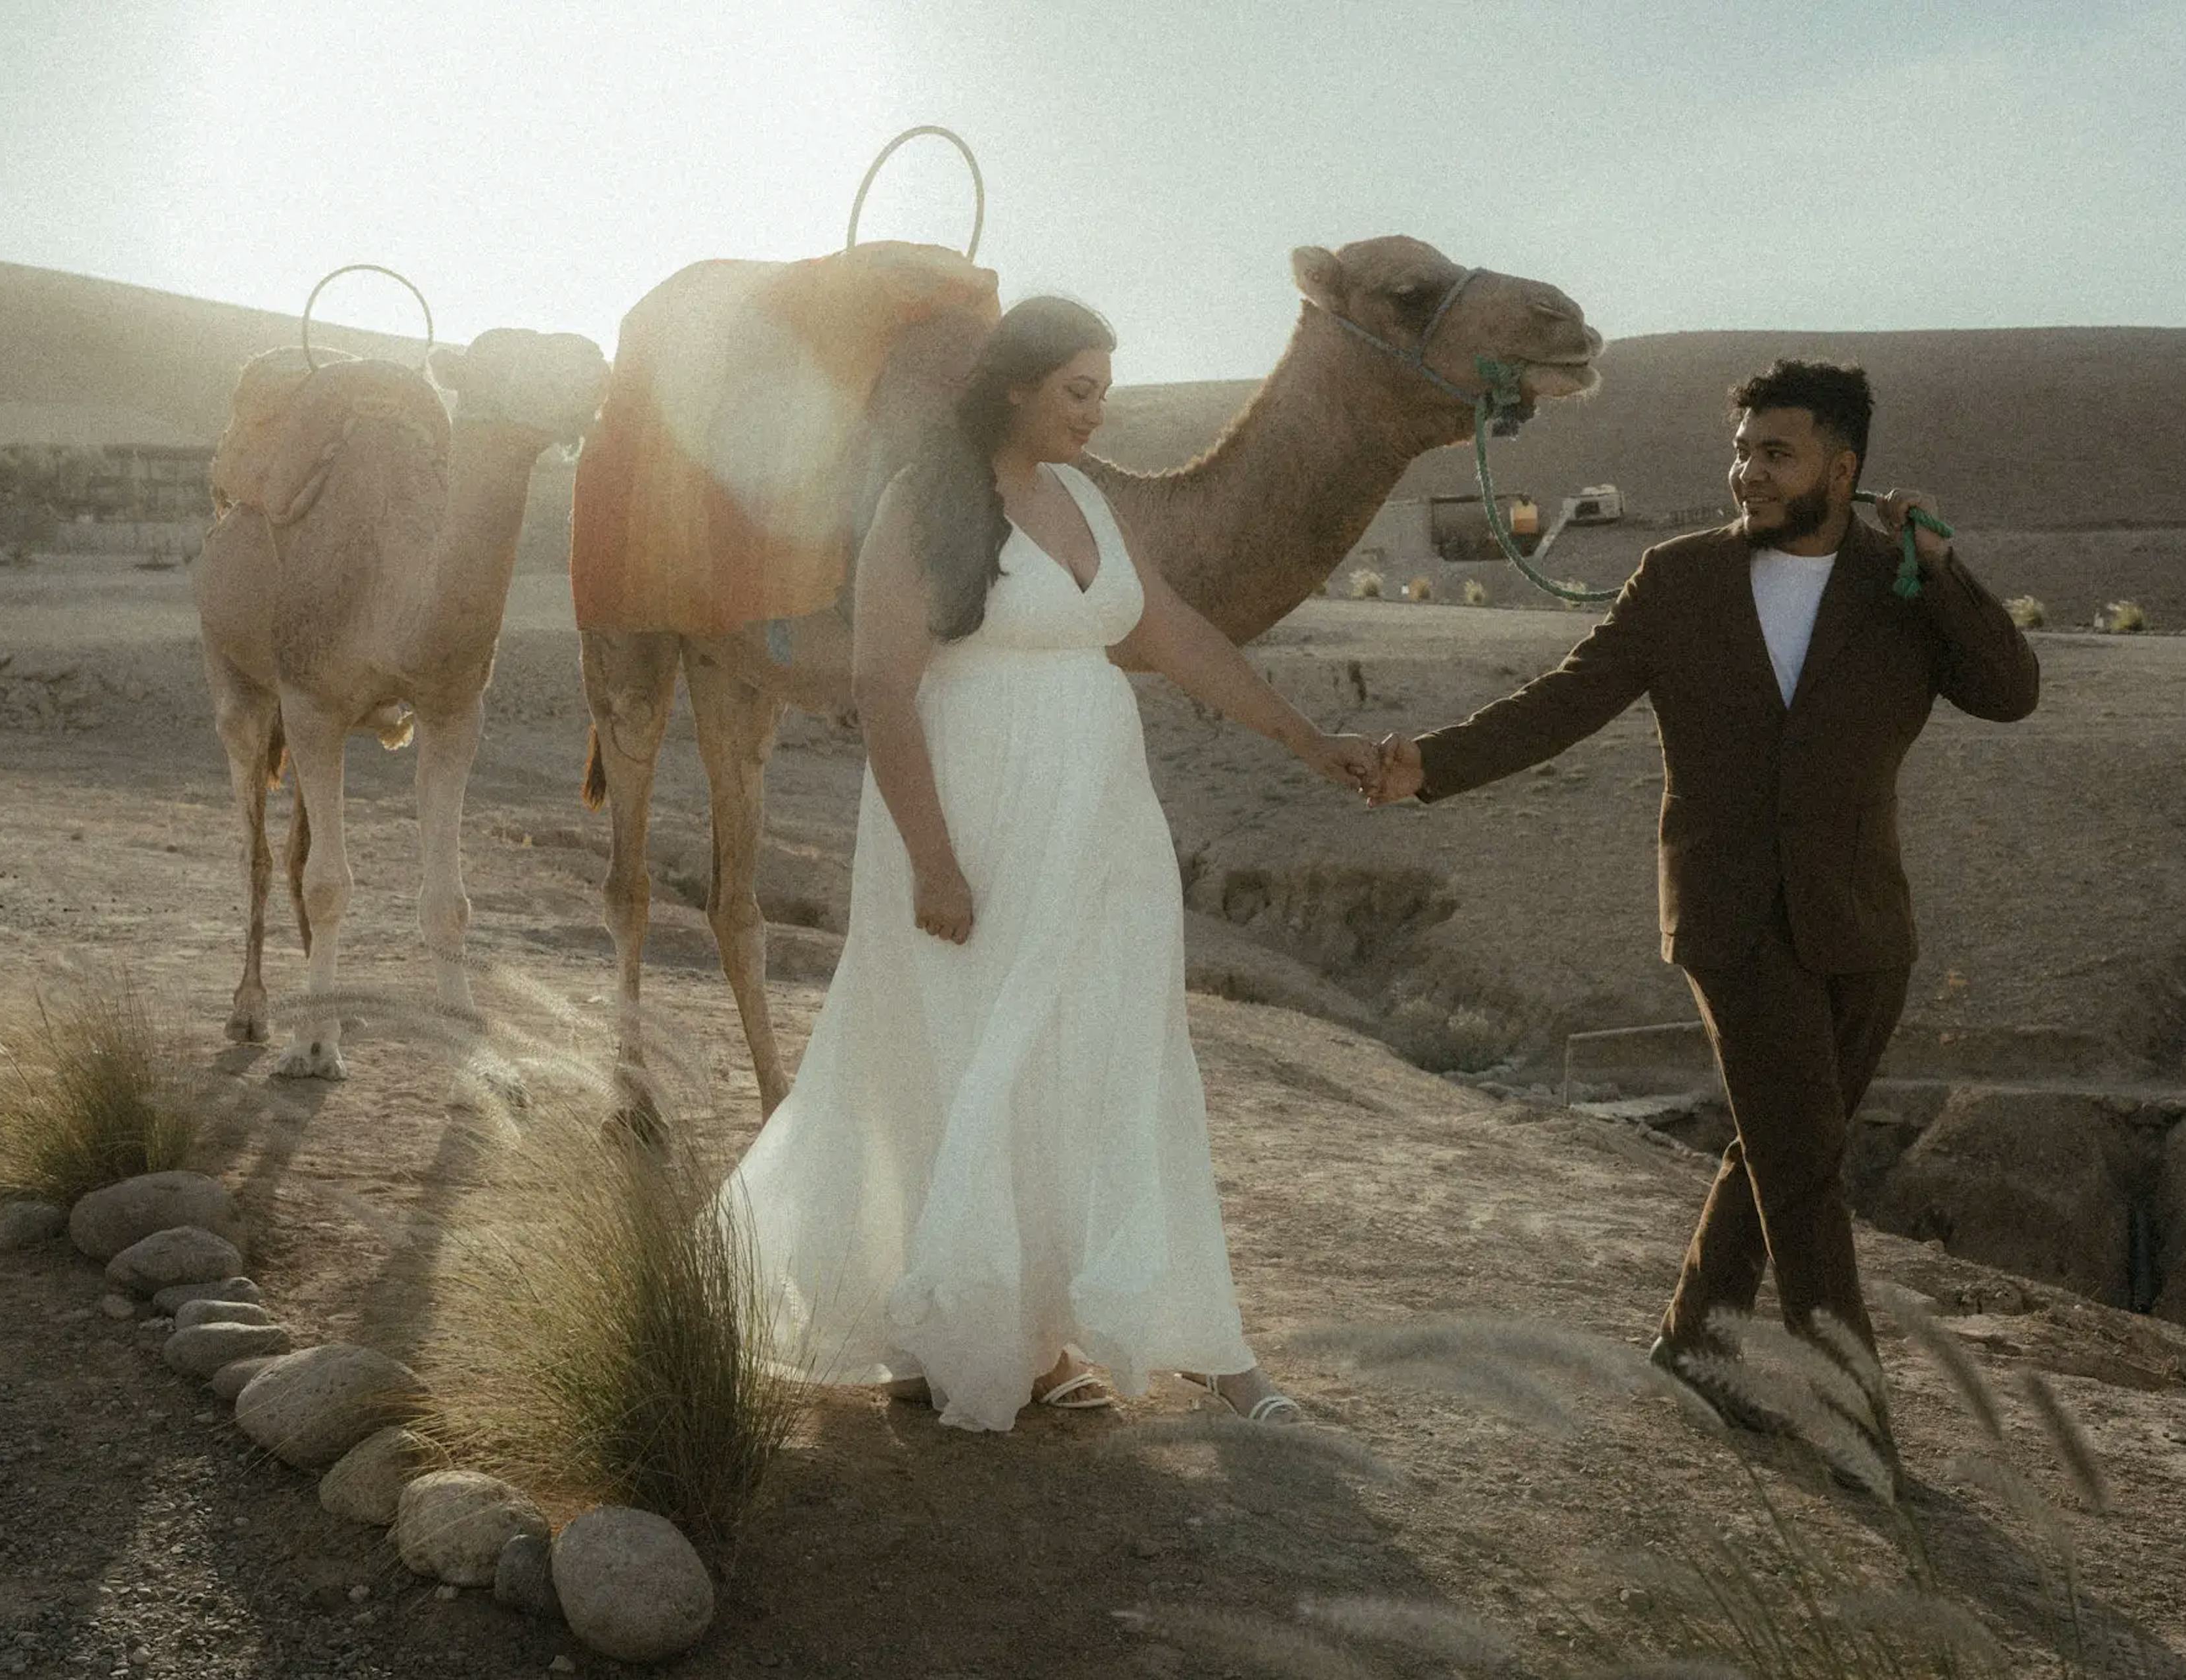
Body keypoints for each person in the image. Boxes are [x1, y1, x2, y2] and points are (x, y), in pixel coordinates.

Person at [718, 296, 1381, 1433]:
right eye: (1077, 392)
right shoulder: (926, 504)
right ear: (1016, 387)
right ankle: (971, 1332)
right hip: (971, 827)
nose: (1096, 413)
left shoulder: (1085, 498)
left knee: (1125, 1057)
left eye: (1104, 393)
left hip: (1103, 831)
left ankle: (1199, 1348)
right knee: (966, 1063)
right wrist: (934, 860)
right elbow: (884, 685)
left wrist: (1306, 739)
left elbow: (1172, 633)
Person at [1370, 359, 2038, 1455]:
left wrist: (1946, 568)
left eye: (1775, 454)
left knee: (1779, 1149)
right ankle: (1851, 1422)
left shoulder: (1902, 587)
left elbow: (2011, 693)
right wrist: (1427, 768)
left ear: (1843, 466)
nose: (1746, 474)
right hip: (1731, 920)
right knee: (1809, 1170)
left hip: (1864, 926)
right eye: (1742, 452)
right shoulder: (1677, 580)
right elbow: (1567, 701)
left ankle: (1693, 1348)